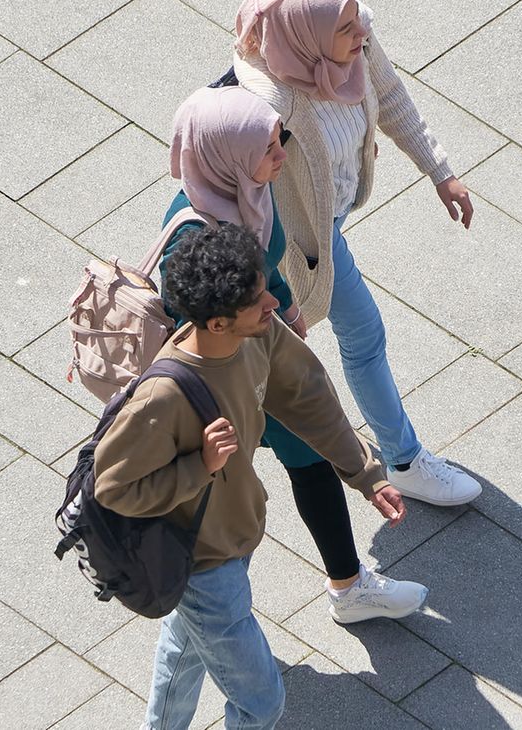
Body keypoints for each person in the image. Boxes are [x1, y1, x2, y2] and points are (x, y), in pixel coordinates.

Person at [95, 224, 416, 728]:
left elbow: (308, 394)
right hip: (203, 561)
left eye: (264, 287)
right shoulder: (163, 398)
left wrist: (367, 474)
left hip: (234, 533)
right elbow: (112, 488)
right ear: (218, 323)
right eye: (256, 299)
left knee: (184, 650)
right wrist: (199, 467)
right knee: (262, 703)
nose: (272, 302)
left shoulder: (257, 335)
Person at [159, 86, 427, 624]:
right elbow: (192, 318)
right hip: (230, 379)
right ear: (228, 155)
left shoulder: (247, 190)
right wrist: (265, 325)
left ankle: (342, 585)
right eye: (270, 148)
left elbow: (265, 256)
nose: (283, 154)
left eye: (279, 139)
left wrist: (281, 302)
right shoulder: (190, 239)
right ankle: (214, 604)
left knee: (306, 460)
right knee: (250, 482)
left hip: (263, 352)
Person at [229, 0, 483, 507]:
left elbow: (388, 95)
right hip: (303, 239)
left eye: (355, 19)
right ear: (306, 36)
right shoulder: (269, 102)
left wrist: (441, 172)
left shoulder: (352, 44)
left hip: (328, 220)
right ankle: (405, 460)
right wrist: (272, 277)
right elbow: (243, 188)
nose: (361, 33)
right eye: (345, 28)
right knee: (363, 336)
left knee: (324, 340)